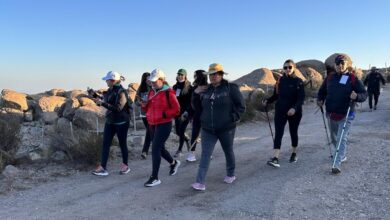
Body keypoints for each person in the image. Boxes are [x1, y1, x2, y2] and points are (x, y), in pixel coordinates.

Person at [191, 63, 245, 191]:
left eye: (216, 74)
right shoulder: (206, 89)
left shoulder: (231, 88)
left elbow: (241, 106)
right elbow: (197, 108)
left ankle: (231, 174)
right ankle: (200, 182)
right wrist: (195, 93)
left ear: (221, 74)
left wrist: (232, 118)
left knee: (228, 151)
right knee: (205, 154)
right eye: (211, 75)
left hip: (226, 129)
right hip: (208, 129)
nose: (213, 77)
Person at [317, 54, 367, 174]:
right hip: (331, 113)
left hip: (346, 113)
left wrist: (357, 96)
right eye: (338, 63)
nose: (340, 65)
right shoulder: (329, 78)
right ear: (334, 65)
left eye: (342, 63)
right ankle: (342, 154)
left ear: (346, 65)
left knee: (341, 138)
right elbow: (322, 91)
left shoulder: (353, 79)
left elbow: (364, 94)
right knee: (334, 137)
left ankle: (337, 163)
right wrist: (320, 99)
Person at [141, 69, 181, 187]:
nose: (152, 83)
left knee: (155, 149)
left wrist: (165, 114)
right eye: (151, 81)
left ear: (161, 80)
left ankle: (155, 177)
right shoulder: (151, 92)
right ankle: (173, 163)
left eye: (154, 81)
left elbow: (177, 109)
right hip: (152, 124)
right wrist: (144, 104)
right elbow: (148, 107)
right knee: (160, 149)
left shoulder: (169, 92)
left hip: (164, 124)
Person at [263, 59, 305, 168]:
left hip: (294, 112)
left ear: (294, 68)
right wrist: (267, 101)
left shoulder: (298, 81)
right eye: (285, 67)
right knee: (279, 133)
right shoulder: (280, 81)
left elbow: (301, 98)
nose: (287, 69)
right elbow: (276, 96)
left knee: (293, 132)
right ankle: (275, 158)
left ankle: (294, 153)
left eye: (290, 67)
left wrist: (294, 109)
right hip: (280, 111)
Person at [92, 71, 132, 176]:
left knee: (122, 144)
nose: (106, 81)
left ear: (113, 81)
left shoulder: (122, 92)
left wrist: (103, 103)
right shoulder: (110, 90)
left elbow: (118, 108)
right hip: (110, 121)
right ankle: (103, 167)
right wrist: (96, 98)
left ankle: (125, 165)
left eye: (107, 80)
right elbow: (106, 101)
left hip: (121, 122)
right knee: (105, 143)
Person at [186, 70, 208, 162]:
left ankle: (206, 153)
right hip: (197, 115)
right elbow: (191, 102)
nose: (196, 77)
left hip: (206, 115)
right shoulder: (194, 88)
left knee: (206, 135)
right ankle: (192, 154)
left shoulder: (209, 88)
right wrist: (189, 113)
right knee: (195, 134)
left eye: (197, 76)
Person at [172, 69, 193, 158]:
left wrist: (187, 112)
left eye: (182, 74)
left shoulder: (189, 87)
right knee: (177, 131)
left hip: (186, 112)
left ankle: (180, 150)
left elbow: (191, 101)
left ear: (185, 76)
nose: (180, 76)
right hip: (177, 112)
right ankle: (187, 139)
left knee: (181, 130)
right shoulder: (175, 87)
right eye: (179, 74)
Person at [135, 72, 152, 159]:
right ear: (144, 80)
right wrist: (140, 102)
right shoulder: (140, 89)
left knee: (149, 131)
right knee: (150, 131)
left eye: (150, 78)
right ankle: (158, 147)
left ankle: (145, 151)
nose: (149, 80)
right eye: (147, 79)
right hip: (144, 114)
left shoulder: (154, 87)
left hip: (153, 114)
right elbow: (136, 101)